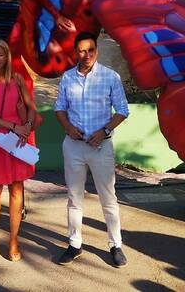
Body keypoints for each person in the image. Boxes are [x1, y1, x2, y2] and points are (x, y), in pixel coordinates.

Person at [54, 31, 130, 268]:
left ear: (96, 51)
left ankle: (115, 244)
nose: (86, 55)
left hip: (101, 147)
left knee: (108, 198)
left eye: (91, 50)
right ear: (75, 52)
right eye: (81, 51)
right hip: (74, 147)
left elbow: (122, 110)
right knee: (74, 198)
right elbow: (59, 108)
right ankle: (75, 243)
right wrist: (67, 127)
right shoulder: (67, 78)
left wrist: (105, 131)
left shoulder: (110, 77)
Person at [0, 39, 38, 262]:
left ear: (7, 56)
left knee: (16, 189)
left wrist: (27, 127)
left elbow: (32, 109)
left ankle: (13, 239)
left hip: (17, 141)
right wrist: (15, 126)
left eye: (0, 54)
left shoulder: (18, 79)